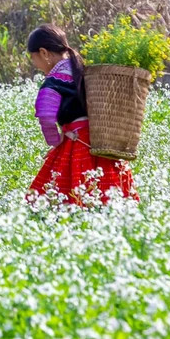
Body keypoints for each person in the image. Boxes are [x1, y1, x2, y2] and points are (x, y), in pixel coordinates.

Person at [27, 24, 137, 206]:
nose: (34, 63)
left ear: (44, 53)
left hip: (76, 143)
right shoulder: (85, 71)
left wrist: (55, 141)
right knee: (110, 196)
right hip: (101, 142)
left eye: (33, 57)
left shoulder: (53, 82)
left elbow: (46, 116)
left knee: (63, 197)